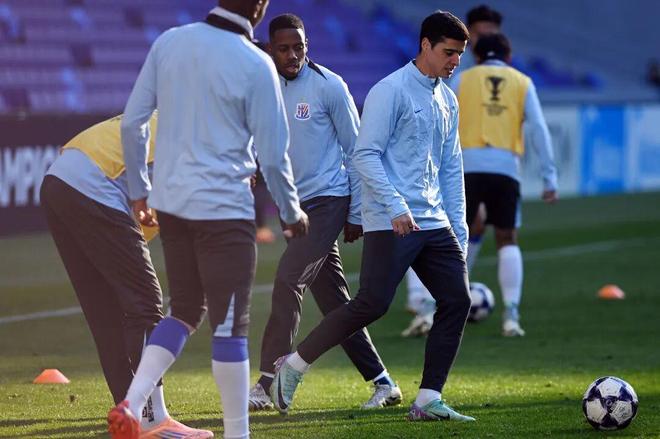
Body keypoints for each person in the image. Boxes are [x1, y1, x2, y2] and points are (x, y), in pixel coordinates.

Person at [107, 1, 309, 439]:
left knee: (183, 310)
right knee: (230, 327)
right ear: (259, 6)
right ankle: (239, 434)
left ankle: (134, 402)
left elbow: (132, 124)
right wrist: (291, 212)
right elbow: (273, 156)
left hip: (172, 204)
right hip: (223, 210)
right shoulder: (256, 63)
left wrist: (139, 190)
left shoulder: (170, 42)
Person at [269, 10, 476, 422]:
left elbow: (451, 167)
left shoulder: (448, 99)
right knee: (371, 304)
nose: (455, 61)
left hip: (434, 222)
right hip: (391, 220)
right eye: (449, 52)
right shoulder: (390, 90)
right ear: (426, 46)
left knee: (458, 299)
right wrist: (395, 206)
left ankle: (428, 399)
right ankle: (293, 365)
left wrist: (459, 228)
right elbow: (364, 154)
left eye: (459, 54)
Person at [247, 14, 402, 413]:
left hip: (329, 201)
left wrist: (357, 212)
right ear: (271, 49)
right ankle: (383, 383)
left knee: (288, 279)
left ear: (307, 46)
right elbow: (253, 134)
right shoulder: (262, 86)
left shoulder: (330, 86)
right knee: (336, 305)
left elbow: (358, 150)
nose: (292, 55)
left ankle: (267, 381)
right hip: (294, 208)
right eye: (284, 48)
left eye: (299, 47)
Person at [40, 114, 213, 438]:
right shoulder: (203, 140)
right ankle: (151, 419)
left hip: (58, 179)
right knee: (145, 302)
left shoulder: (185, 118)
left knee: (107, 310)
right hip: (94, 184)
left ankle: (128, 414)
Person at [404, 4, 503, 337]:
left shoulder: (489, 73)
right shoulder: (456, 74)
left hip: (463, 160)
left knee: (471, 223)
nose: (485, 37)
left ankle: (444, 292)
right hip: (442, 160)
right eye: (481, 32)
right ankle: (424, 298)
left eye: (492, 32)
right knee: (428, 224)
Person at [454, 33, 558, 336]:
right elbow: (538, 128)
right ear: (508, 57)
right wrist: (549, 176)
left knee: (457, 237)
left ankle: (444, 309)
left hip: (466, 166)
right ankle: (511, 315)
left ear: (477, 57)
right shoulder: (522, 82)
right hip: (505, 167)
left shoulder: (461, 79)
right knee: (507, 237)